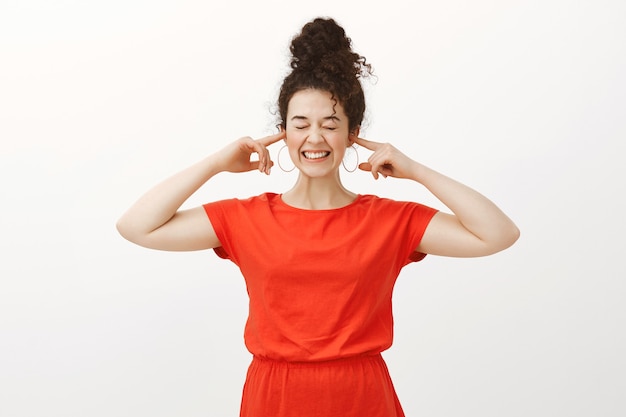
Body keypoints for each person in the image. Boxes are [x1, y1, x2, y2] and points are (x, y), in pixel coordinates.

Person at [116, 17, 519, 417]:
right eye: (300, 124)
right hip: (274, 396)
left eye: (330, 125)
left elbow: (498, 234)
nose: (314, 138)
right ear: (283, 132)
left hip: (362, 396)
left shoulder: (390, 221)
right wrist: (217, 163)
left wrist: (417, 171)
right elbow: (137, 226)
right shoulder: (247, 218)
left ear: (352, 133)